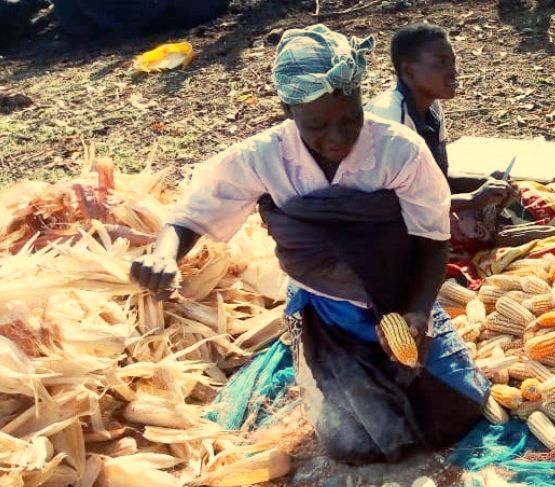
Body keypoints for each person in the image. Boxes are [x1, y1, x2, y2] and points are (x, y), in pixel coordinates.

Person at [129, 24, 488, 464]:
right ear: (288, 109)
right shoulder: (263, 158)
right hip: (328, 309)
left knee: (459, 412)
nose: (337, 138)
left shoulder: (399, 151)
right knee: (352, 443)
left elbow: (433, 240)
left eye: (350, 119)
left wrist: (417, 312)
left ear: (361, 100)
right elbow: (190, 216)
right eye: (316, 125)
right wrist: (164, 254)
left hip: (402, 293)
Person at [367, 22, 555, 268]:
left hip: (434, 210)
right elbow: (390, 207)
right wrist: (473, 200)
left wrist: (484, 183)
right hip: (399, 234)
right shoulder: (388, 120)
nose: (453, 72)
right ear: (408, 70)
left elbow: (438, 178)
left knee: (524, 193)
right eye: (440, 64)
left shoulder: (431, 108)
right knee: (502, 237)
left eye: (453, 62)